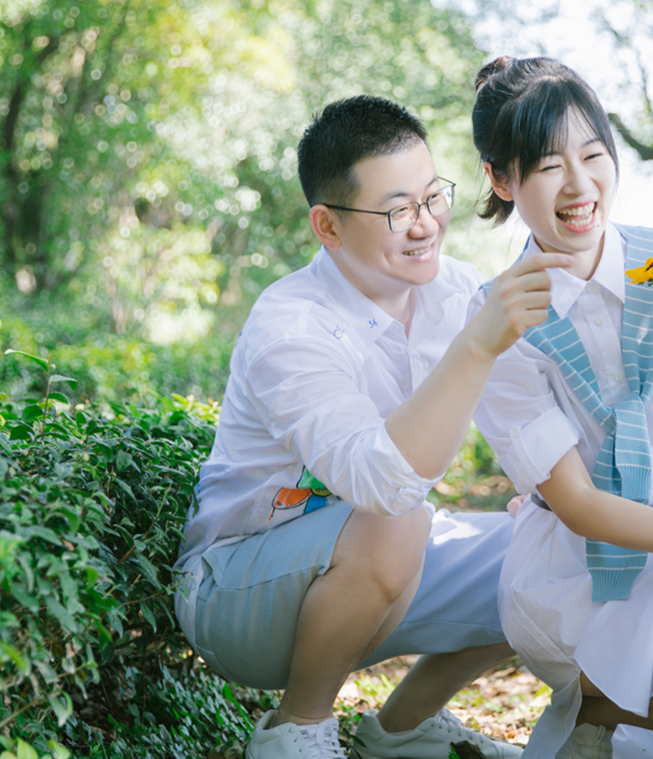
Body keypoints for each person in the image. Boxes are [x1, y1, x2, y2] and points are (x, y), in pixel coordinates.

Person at [175, 95, 571, 759]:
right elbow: (384, 484)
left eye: (432, 197)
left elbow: (526, 408)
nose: (425, 225)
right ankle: (296, 728)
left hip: (383, 556)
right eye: (397, 211)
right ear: (328, 226)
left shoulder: (455, 290)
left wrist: (548, 496)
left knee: (546, 549)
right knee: (397, 519)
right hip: (238, 590)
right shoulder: (290, 327)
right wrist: (476, 344)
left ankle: (403, 727)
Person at [468, 56, 653, 759]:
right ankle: (598, 708)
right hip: (576, 565)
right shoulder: (499, 317)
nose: (580, 185)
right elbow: (579, 505)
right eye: (549, 166)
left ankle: (595, 725)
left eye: (592, 155)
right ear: (501, 179)